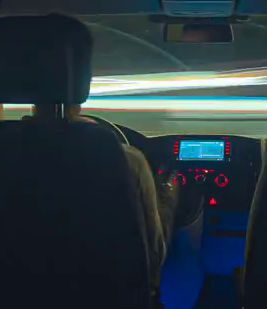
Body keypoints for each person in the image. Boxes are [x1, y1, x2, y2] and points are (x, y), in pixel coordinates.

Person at [29, 102, 180, 292]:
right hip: (111, 300)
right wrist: (170, 196)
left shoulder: (0, 154)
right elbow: (154, 254)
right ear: (78, 99)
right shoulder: (129, 161)